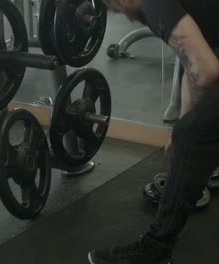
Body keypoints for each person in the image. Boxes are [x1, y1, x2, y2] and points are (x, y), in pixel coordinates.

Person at [88, 0, 219, 263]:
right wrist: (183, 126)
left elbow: (206, 71)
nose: (126, 17)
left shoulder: (155, 5)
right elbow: (192, 65)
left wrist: (186, 134)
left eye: (116, 9)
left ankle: (155, 250)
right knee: (191, 132)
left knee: (192, 133)